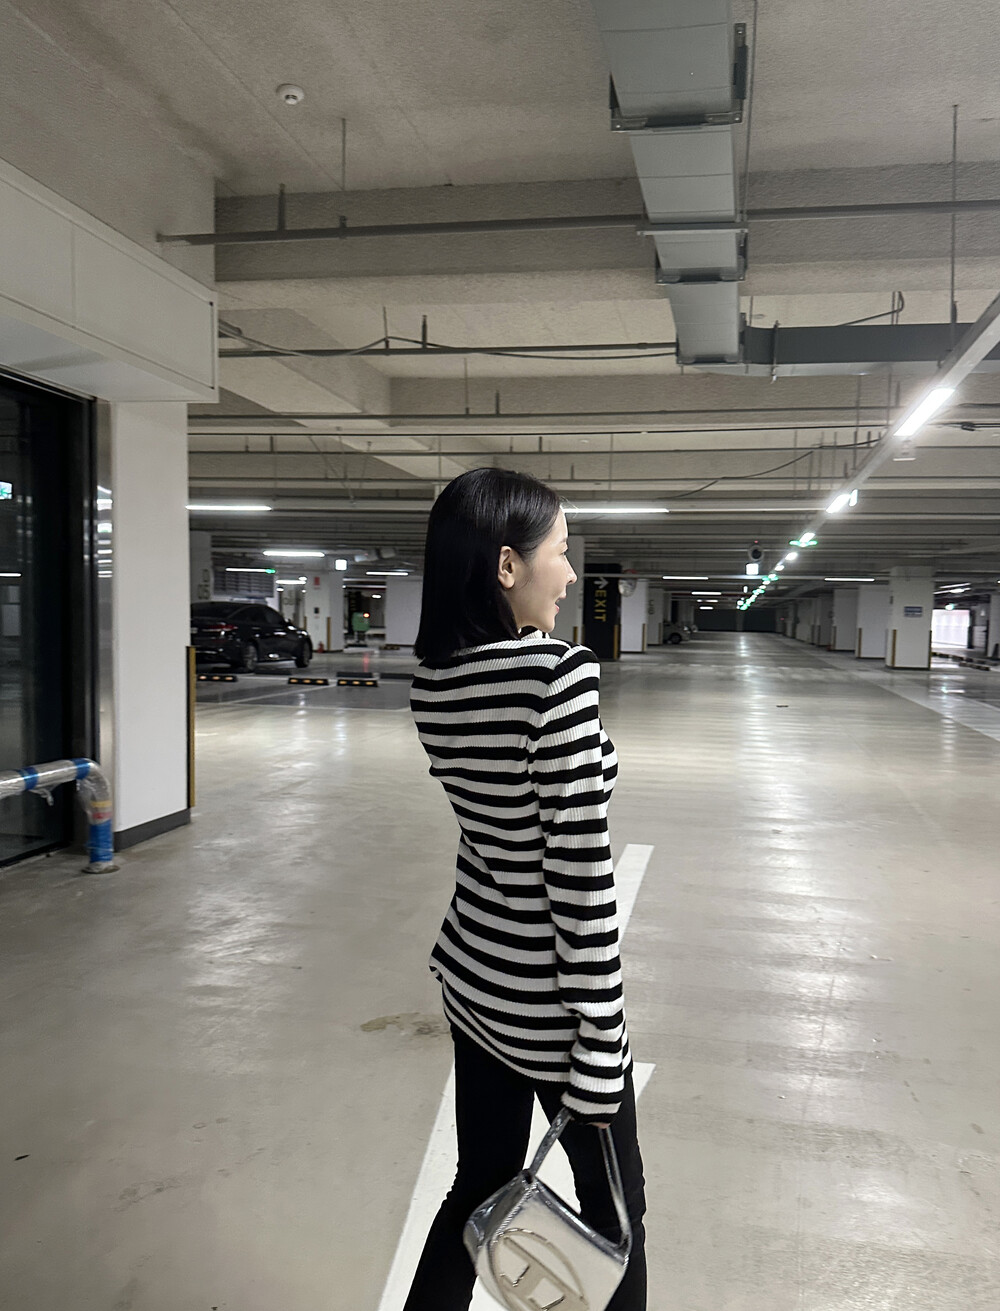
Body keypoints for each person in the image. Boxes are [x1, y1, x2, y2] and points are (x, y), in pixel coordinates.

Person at [404, 468, 647, 1310]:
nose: (571, 573)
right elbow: (579, 878)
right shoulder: (556, 677)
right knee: (617, 1221)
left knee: (479, 1184)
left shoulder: (434, 682)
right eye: (561, 551)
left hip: (475, 981)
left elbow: (498, 831)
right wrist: (601, 1042)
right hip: (551, 1011)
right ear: (507, 564)